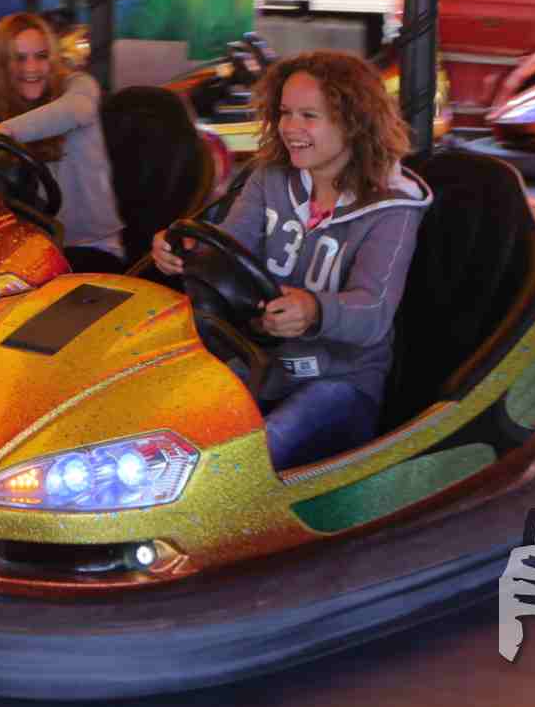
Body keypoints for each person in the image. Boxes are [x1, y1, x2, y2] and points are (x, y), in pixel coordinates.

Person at [152, 49, 432, 471]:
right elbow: (229, 249)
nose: (290, 128)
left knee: (240, 464)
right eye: (285, 113)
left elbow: (373, 312)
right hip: (263, 365)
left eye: (309, 116)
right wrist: (182, 252)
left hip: (341, 383)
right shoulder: (270, 178)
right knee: (164, 426)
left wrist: (314, 310)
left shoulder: (392, 207)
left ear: (353, 122)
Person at [0, 11, 127, 274]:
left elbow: (76, 111)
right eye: (19, 59)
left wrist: (3, 131)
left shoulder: (79, 87)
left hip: (90, 248)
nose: (32, 68)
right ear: (0, 65)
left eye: (41, 56)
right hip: (24, 252)